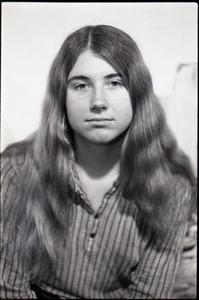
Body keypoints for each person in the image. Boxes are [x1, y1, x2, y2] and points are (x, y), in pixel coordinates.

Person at [1, 24, 196, 299]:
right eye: (81, 85)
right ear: (62, 97)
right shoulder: (14, 172)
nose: (98, 102)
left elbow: (148, 295)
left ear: (138, 93)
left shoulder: (172, 188)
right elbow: (9, 288)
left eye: (115, 83)